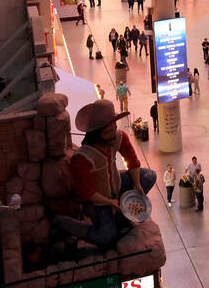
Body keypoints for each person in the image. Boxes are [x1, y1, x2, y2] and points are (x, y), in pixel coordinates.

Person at [54, 99, 157, 248]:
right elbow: (87, 192)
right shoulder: (82, 158)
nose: (113, 133)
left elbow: (132, 160)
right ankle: (65, 223)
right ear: (97, 133)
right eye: (108, 131)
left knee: (149, 176)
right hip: (100, 199)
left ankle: (122, 214)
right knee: (106, 237)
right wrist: (110, 203)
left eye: (114, 127)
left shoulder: (119, 137)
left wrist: (136, 183)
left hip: (117, 185)